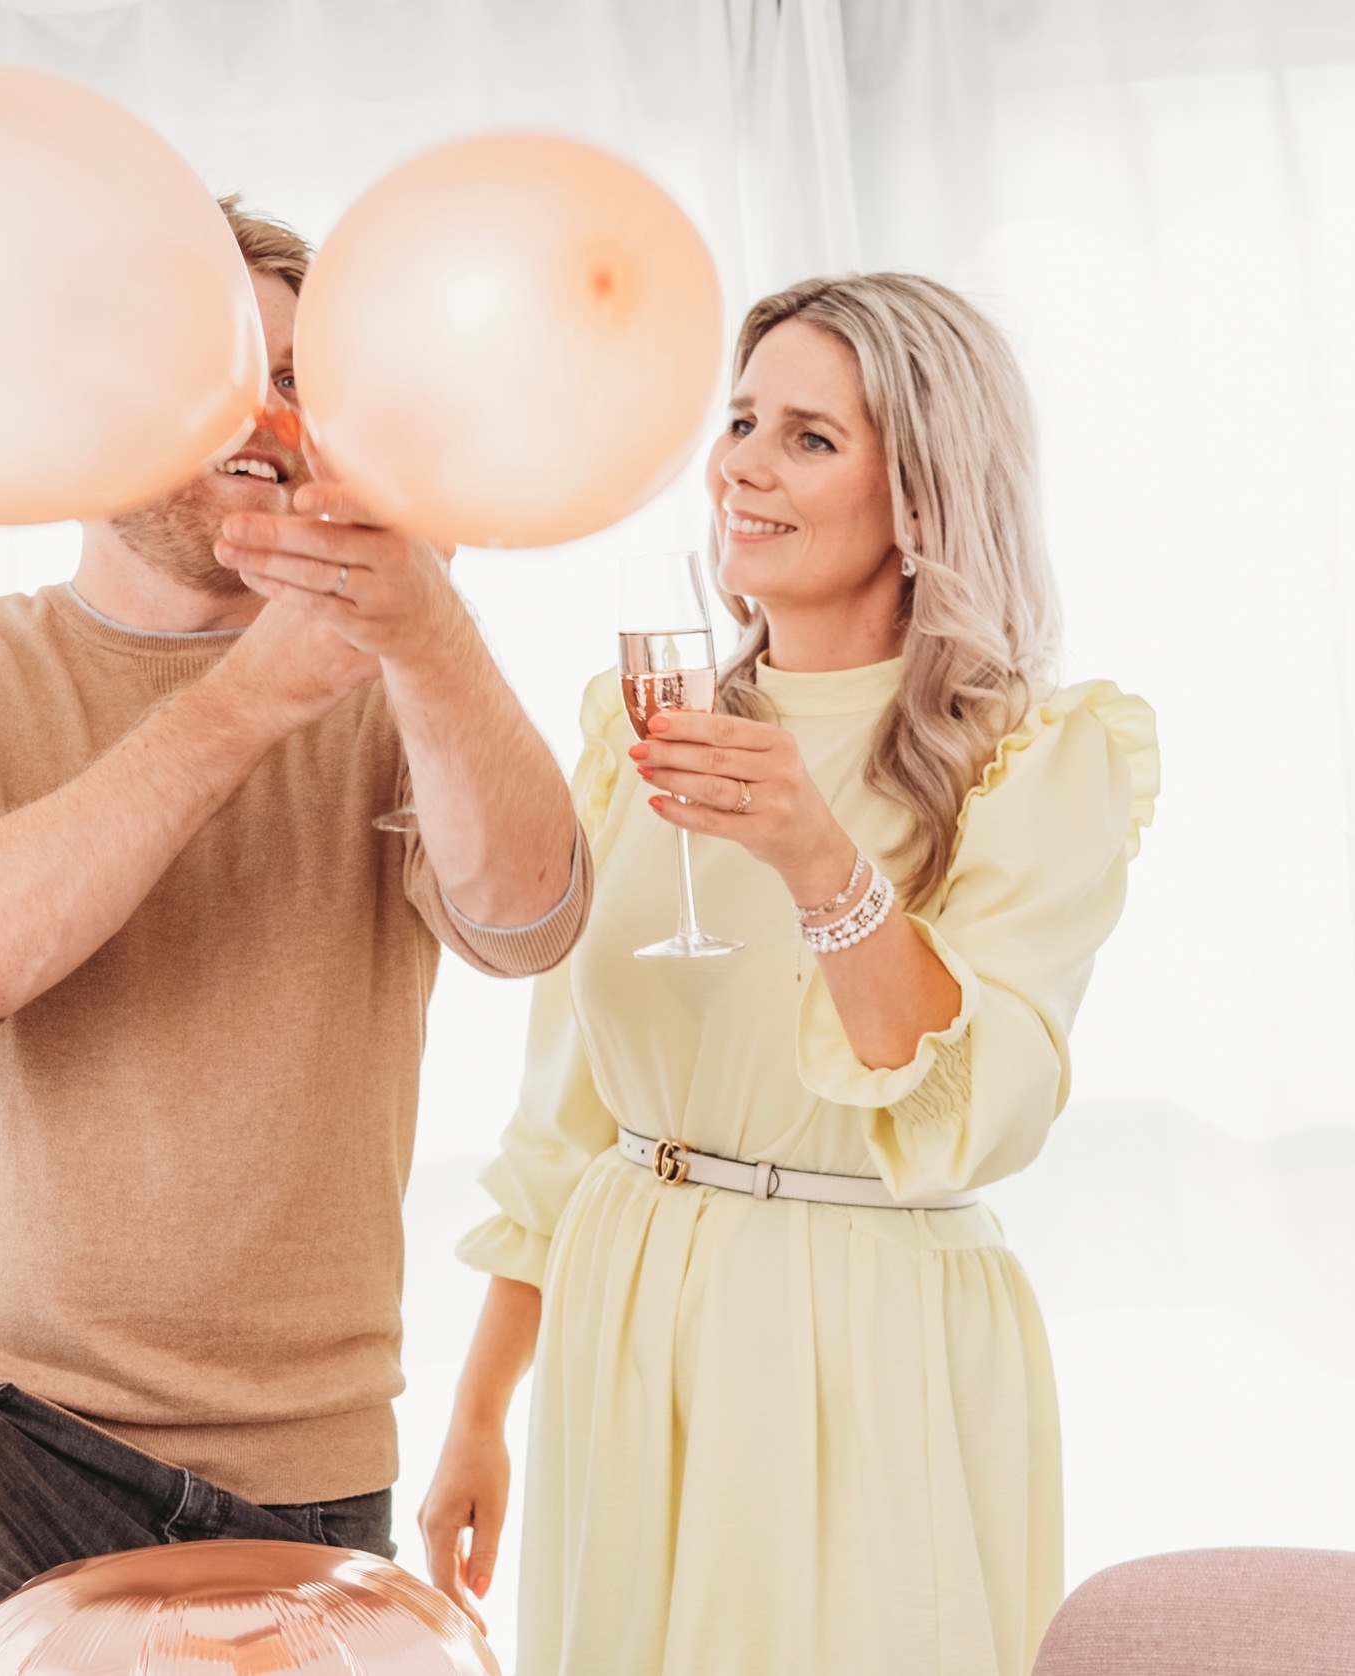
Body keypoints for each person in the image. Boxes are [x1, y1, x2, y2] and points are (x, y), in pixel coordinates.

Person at [0, 198, 588, 1676]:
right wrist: (256, 692)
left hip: (305, 1471)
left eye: (297, 384)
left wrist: (430, 638)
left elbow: (530, 920)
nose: (265, 418)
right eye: (215, 371)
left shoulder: (403, 688)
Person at [422, 273, 1159, 1675]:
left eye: (809, 438)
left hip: (861, 1330)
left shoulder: (1039, 758)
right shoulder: (644, 727)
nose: (742, 466)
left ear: (927, 496)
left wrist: (820, 859)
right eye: (742, 419)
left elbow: (975, 1117)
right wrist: (478, 1412)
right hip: (624, 1314)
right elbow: (563, 1114)